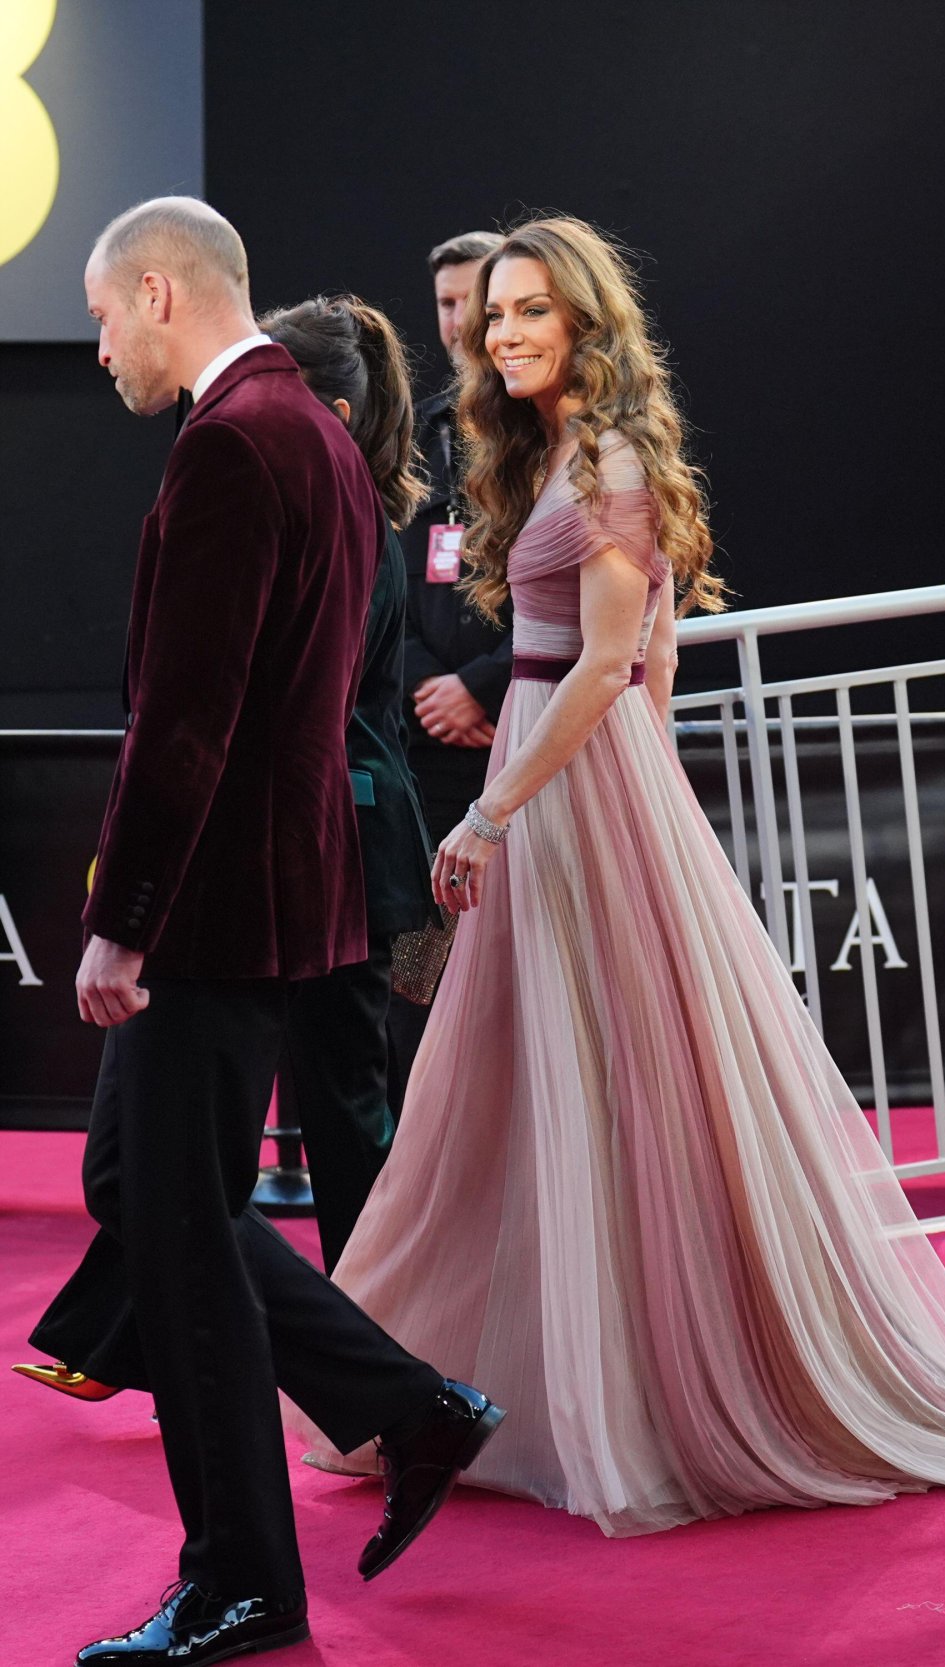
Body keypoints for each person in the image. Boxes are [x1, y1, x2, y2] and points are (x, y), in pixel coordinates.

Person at [294, 215, 945, 1537]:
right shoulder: (549, 452)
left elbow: (601, 664)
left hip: (561, 784)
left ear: (590, 324)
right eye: (500, 311)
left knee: (609, 1086)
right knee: (537, 1088)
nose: (508, 331)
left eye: (536, 310)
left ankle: (628, 1393)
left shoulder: (606, 457)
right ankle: (489, 1387)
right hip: (577, 780)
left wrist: (495, 815)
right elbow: (652, 657)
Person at [21, 198, 503, 1667]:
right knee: (137, 1180)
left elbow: (189, 720)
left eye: (103, 316)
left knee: (171, 1222)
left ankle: (243, 1575)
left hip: (217, 913)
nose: (97, 345)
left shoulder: (234, 443)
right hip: (276, 896)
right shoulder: (317, 435)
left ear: (159, 292)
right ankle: (410, 1402)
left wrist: (123, 923)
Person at [258, 293, 433, 1272]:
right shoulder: (341, 509)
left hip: (348, 847)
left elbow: (316, 701)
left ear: (326, 405)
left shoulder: (351, 520)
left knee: (343, 1104)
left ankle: (383, 1344)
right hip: (333, 840)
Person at [388, 231, 511, 1089]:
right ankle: (416, 1164)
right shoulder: (418, 434)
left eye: (482, 299)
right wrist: (435, 690)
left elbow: (585, 606)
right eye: (448, 302)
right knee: (416, 977)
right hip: (425, 759)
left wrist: (482, 685)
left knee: (527, 972)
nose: (463, 319)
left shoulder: (552, 433)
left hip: (529, 744)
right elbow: (374, 584)